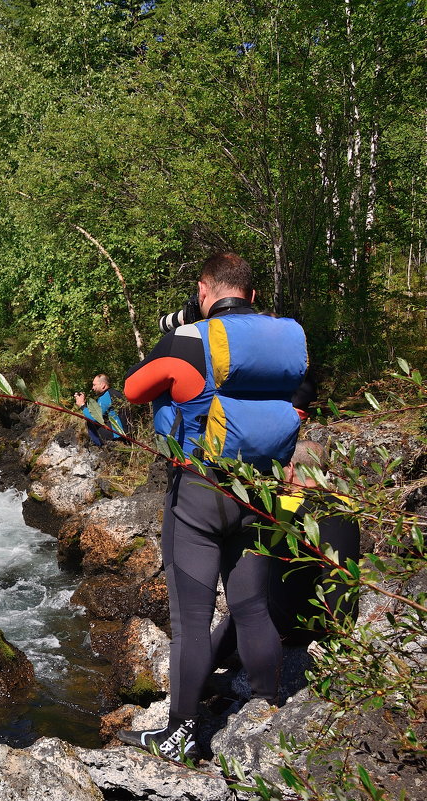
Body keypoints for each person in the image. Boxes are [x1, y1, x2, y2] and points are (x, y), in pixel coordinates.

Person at [115, 252, 309, 762]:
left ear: (205, 289)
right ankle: (268, 714)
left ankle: (180, 735)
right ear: (251, 293)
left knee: (192, 619)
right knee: (251, 606)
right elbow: (299, 406)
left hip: (200, 493)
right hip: (261, 491)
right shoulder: (286, 343)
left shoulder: (186, 339)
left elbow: (134, 390)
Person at [210, 440, 361, 663]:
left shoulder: (281, 506)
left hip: (287, 624)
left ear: (289, 469)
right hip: (332, 624)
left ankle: (198, 671)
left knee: (243, 611)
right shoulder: (348, 506)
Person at [74, 373, 126, 446]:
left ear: (103, 385)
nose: (92, 388)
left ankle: (99, 446)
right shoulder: (114, 393)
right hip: (125, 430)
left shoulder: (105, 396)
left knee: (90, 423)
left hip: (117, 434)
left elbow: (94, 418)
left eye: (94, 385)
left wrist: (82, 405)